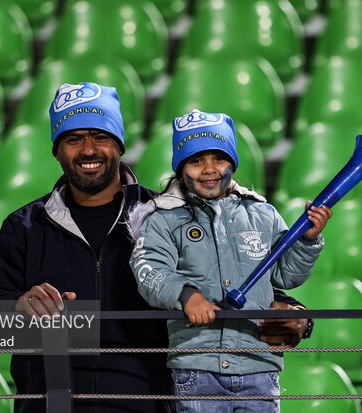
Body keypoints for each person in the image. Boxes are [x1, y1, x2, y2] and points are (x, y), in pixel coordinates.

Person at [0, 82, 313, 413]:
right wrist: (17, 307)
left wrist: (299, 318)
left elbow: (247, 280)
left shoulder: (167, 217)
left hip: (148, 406)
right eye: (74, 139)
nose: (89, 150)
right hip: (50, 406)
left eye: (101, 136)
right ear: (56, 149)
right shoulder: (24, 227)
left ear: (119, 144)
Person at [128, 109, 333, 413]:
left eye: (219, 159)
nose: (209, 169)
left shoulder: (263, 214)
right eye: (196, 160)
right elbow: (149, 270)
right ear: (180, 166)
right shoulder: (163, 219)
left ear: (233, 163)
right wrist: (185, 295)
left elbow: (286, 276)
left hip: (259, 367)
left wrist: (307, 240)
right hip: (196, 369)